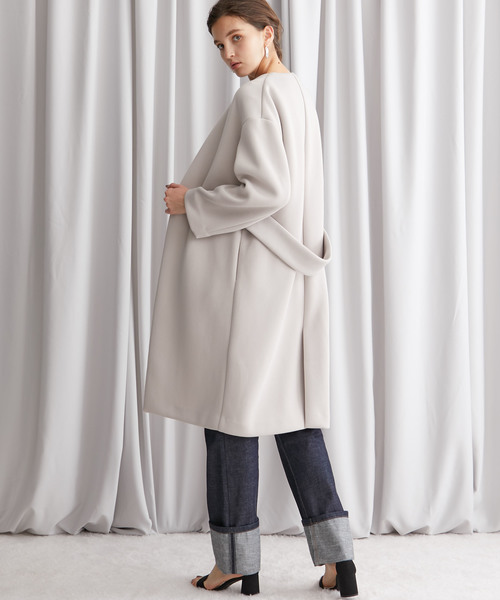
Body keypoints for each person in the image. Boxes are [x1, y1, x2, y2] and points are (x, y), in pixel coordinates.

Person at [143, 0, 358, 596]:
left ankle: (236, 560)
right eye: (219, 45)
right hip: (290, 282)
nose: (228, 54)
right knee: (293, 420)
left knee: (229, 421)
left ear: (269, 32)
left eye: (237, 38)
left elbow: (266, 190)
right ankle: (339, 560)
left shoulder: (258, 97)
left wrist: (192, 201)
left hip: (250, 285)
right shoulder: (296, 94)